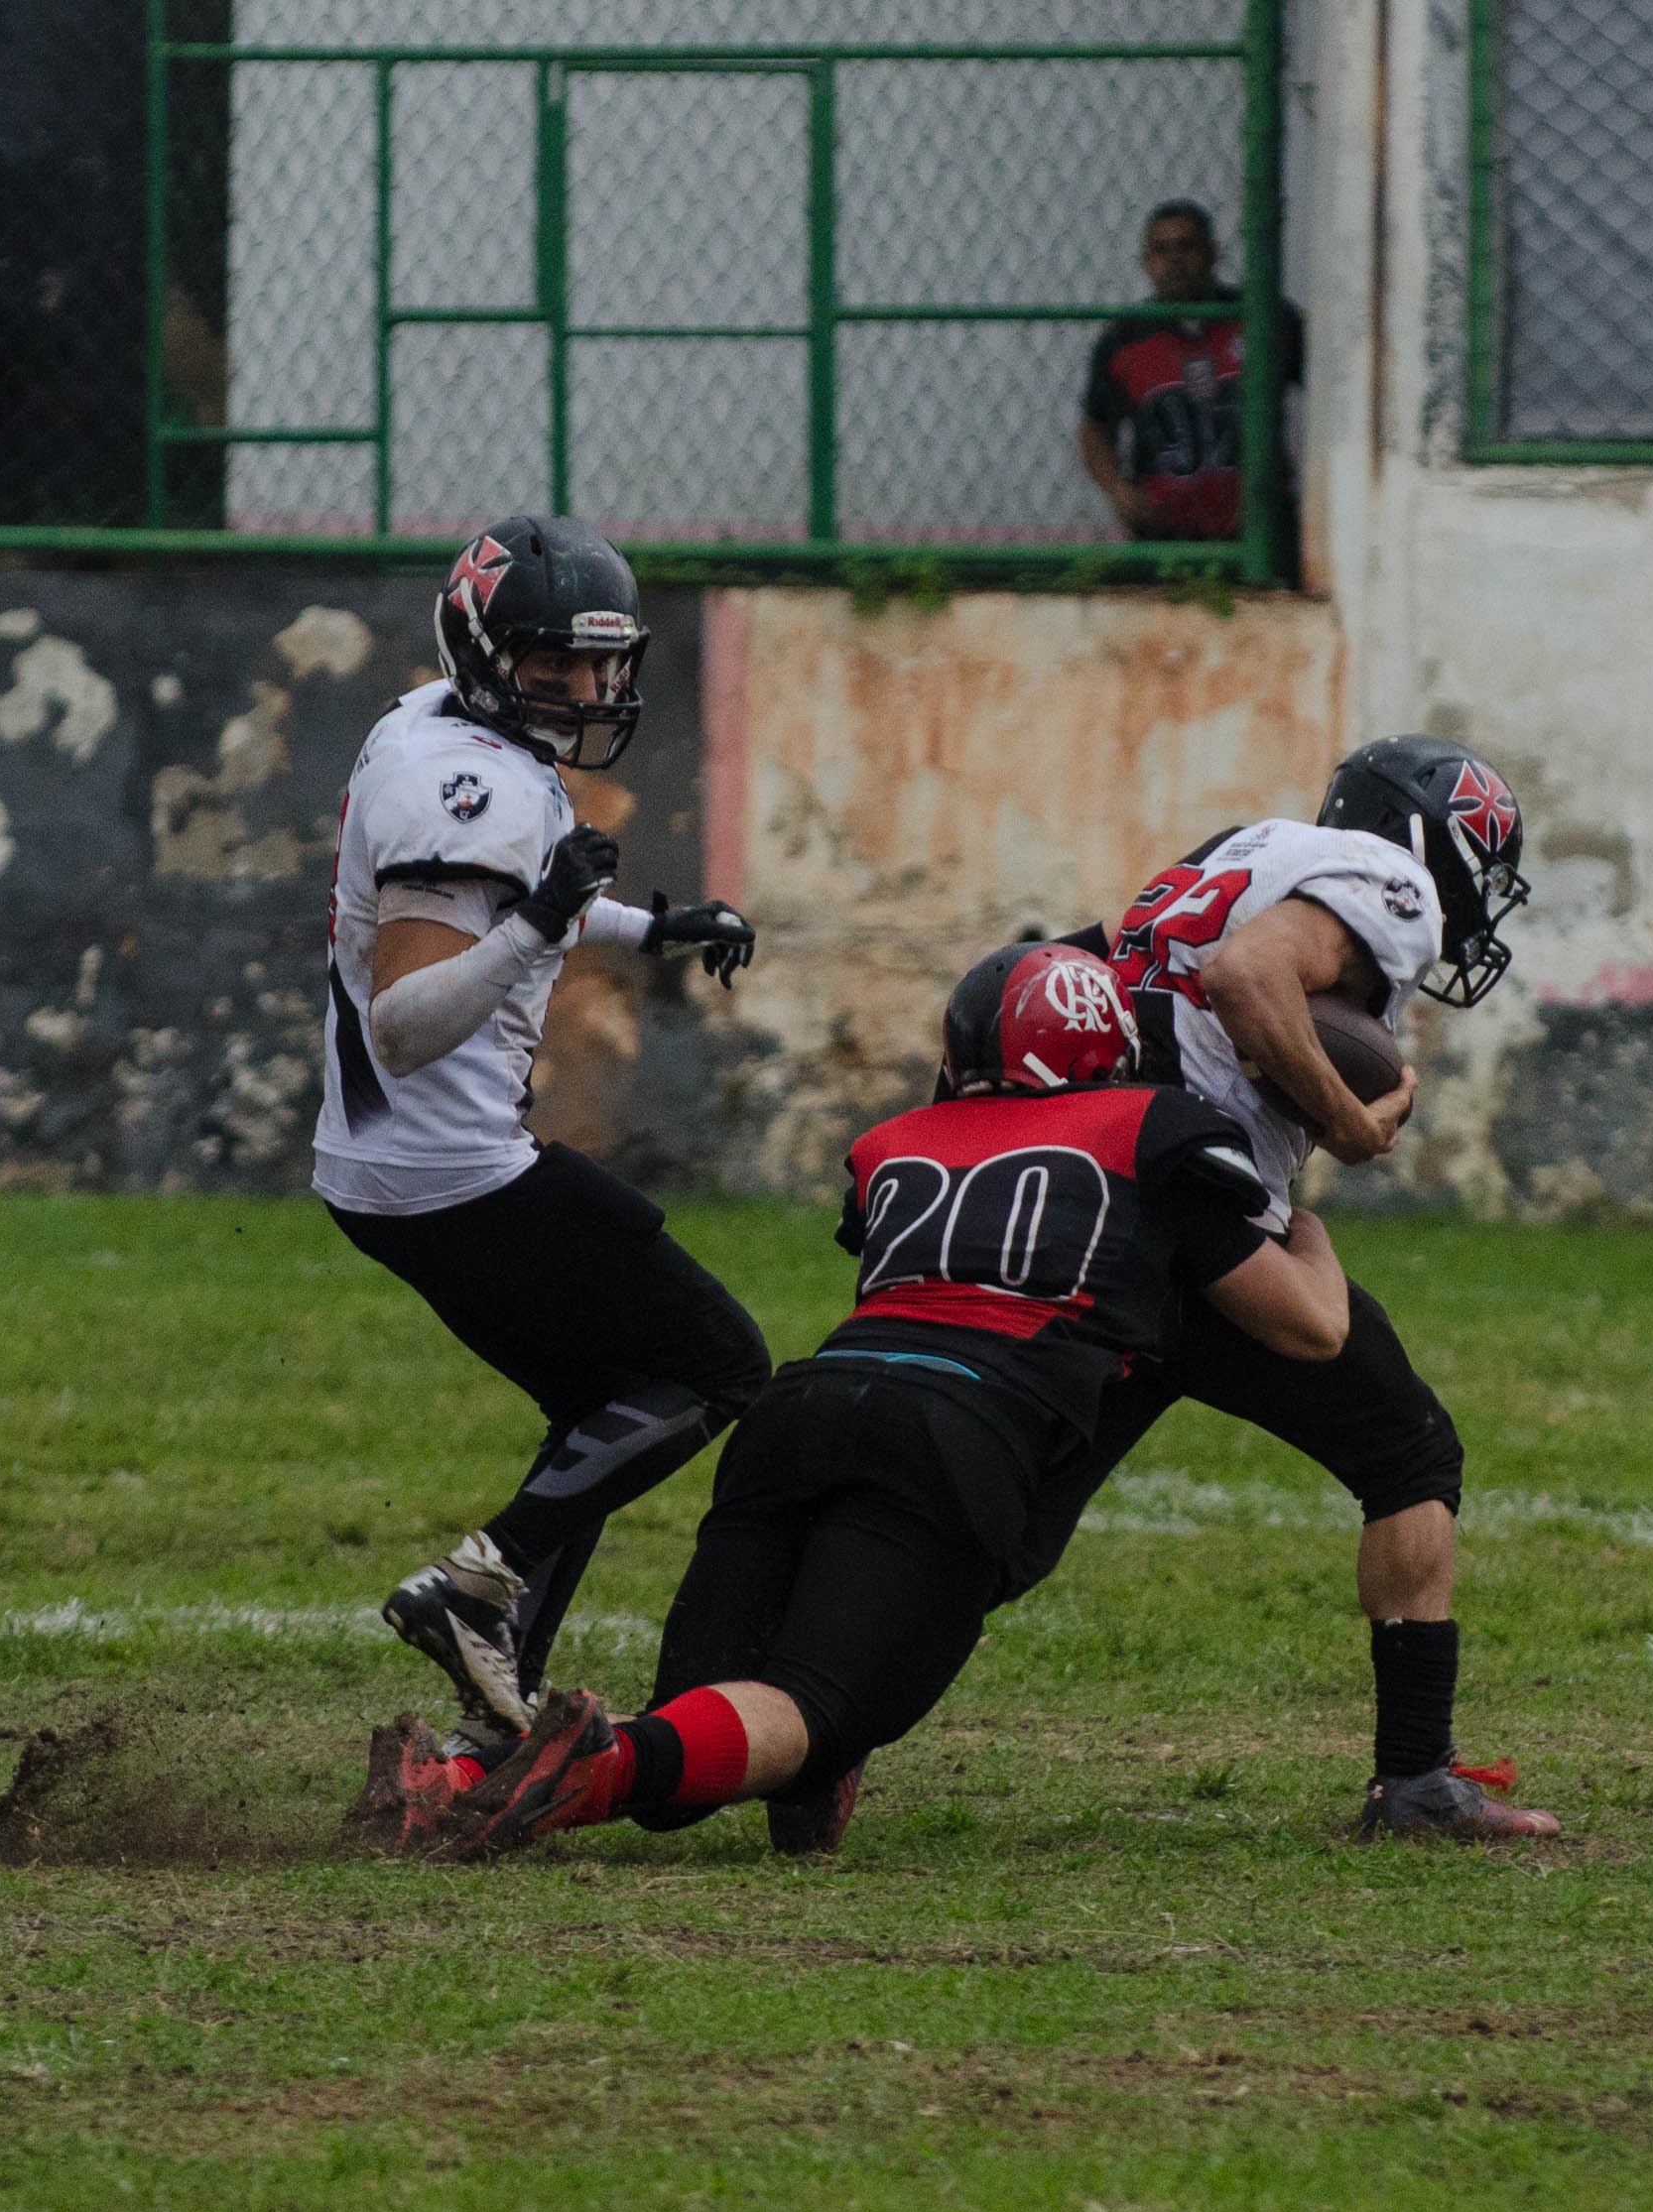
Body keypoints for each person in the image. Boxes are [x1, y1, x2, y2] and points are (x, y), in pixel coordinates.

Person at [376, 940, 1351, 1861]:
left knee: (687, 1766)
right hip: (956, 1424)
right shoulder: (1153, 1128)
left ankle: (456, 1771)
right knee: (813, 1707)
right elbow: (1312, 1330)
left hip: (801, 1408)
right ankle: (602, 1765)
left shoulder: (893, 1141)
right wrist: (1303, 1219)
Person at [1022, 734, 1553, 1842]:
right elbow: (1246, 976)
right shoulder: (1386, 879)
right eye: (1472, 865)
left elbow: (1128, 971)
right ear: (1419, 841)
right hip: (1208, 1234)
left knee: (1006, 1521)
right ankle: (1412, 1780)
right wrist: (1350, 1120)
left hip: (1109, 1212)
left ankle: (813, 1714)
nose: (1469, 901)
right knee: (1407, 1452)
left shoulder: (1233, 853)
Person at [313, 512, 776, 1766]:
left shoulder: (435, 726)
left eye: (598, 666)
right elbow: (411, 1020)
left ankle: (489, 1722)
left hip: (398, 1167)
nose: (583, 691)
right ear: (481, 652)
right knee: (714, 1364)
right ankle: (480, 1584)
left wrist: (646, 927)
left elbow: (524, 891)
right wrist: (545, 929)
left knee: (596, 1406)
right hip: (446, 1168)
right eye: (551, 666)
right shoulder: (461, 781)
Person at [1077, 198, 1302, 547]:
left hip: (1258, 532)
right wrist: (1118, 490)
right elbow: (1095, 428)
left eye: (1186, 246)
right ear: (1147, 263)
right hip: (1164, 535)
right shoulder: (1125, 338)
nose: (1174, 261)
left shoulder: (1263, 319)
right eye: (1161, 250)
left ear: (1213, 253)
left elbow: (1330, 391)